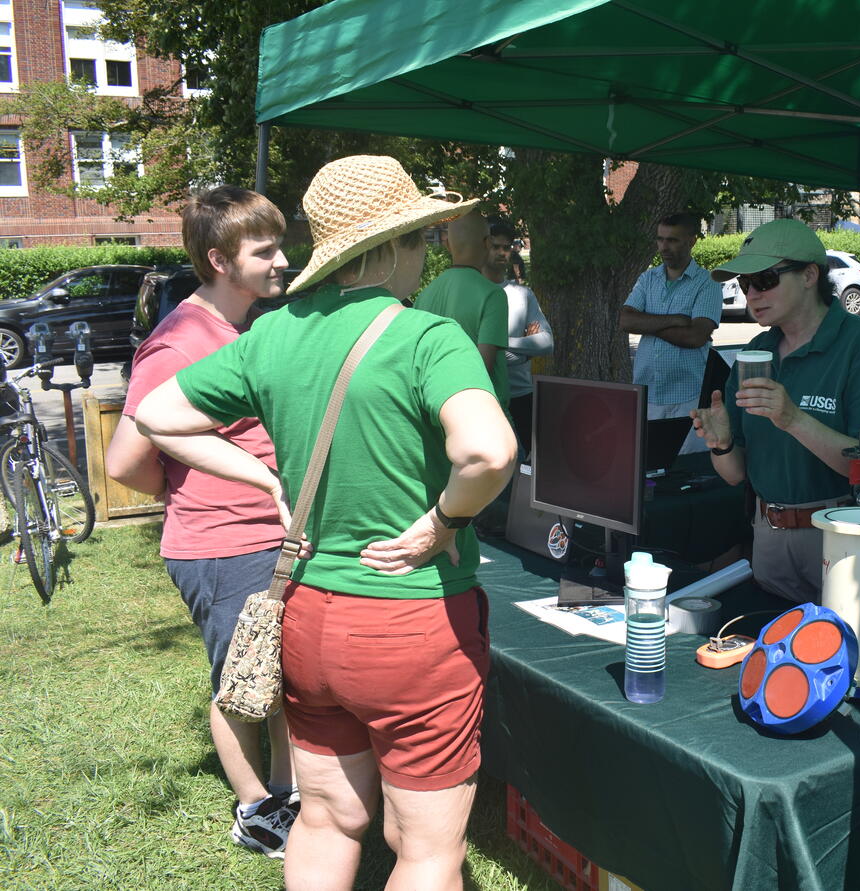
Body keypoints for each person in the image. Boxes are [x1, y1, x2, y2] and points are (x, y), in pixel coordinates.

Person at [133, 155, 516, 890]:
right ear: (396, 246)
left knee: (326, 819)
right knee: (428, 849)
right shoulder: (428, 337)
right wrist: (443, 521)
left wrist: (267, 481)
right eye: (422, 238)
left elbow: (156, 414)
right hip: (412, 623)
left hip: (308, 618)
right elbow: (488, 452)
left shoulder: (274, 332)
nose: (429, 254)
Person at [105, 185, 298, 858]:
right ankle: (255, 809)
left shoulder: (245, 326)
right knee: (240, 680)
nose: (282, 261)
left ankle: (289, 793)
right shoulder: (179, 341)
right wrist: (195, 490)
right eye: (264, 251)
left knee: (279, 674)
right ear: (219, 260)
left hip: (268, 535)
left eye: (279, 246)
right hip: (222, 545)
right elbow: (125, 461)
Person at [691, 218, 860, 603]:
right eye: (745, 283)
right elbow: (735, 474)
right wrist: (721, 444)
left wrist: (793, 419)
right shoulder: (756, 353)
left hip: (846, 535)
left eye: (765, 280)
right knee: (773, 636)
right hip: (770, 535)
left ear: (809, 275)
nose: (752, 294)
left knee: (843, 640)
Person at [619, 212, 723, 420]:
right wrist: (675, 319)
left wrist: (647, 324)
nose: (664, 247)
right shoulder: (648, 278)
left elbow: (695, 337)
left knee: (689, 444)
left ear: (692, 241)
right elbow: (626, 321)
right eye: (660, 239)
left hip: (689, 397)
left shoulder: (707, 282)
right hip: (647, 393)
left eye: (672, 240)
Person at [416, 209, 511, 413]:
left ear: (447, 245)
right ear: (487, 243)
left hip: (435, 411)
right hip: (483, 413)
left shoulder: (424, 295)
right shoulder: (493, 295)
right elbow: (481, 369)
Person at [484, 216, 552, 454]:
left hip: (521, 395)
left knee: (531, 465)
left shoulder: (522, 294)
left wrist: (497, 344)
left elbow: (546, 343)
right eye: (495, 246)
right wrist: (524, 349)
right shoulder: (472, 292)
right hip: (484, 397)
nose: (502, 253)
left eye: (506, 247)